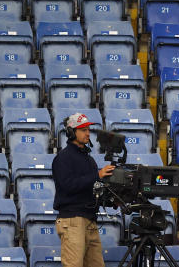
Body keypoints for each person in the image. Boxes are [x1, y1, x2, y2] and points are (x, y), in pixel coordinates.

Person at [53, 113, 117, 267]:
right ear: (71, 132)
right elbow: (67, 185)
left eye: (88, 129)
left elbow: (92, 189)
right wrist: (97, 175)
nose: (88, 133)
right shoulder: (63, 158)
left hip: (90, 220)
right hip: (73, 220)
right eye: (82, 129)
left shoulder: (90, 160)